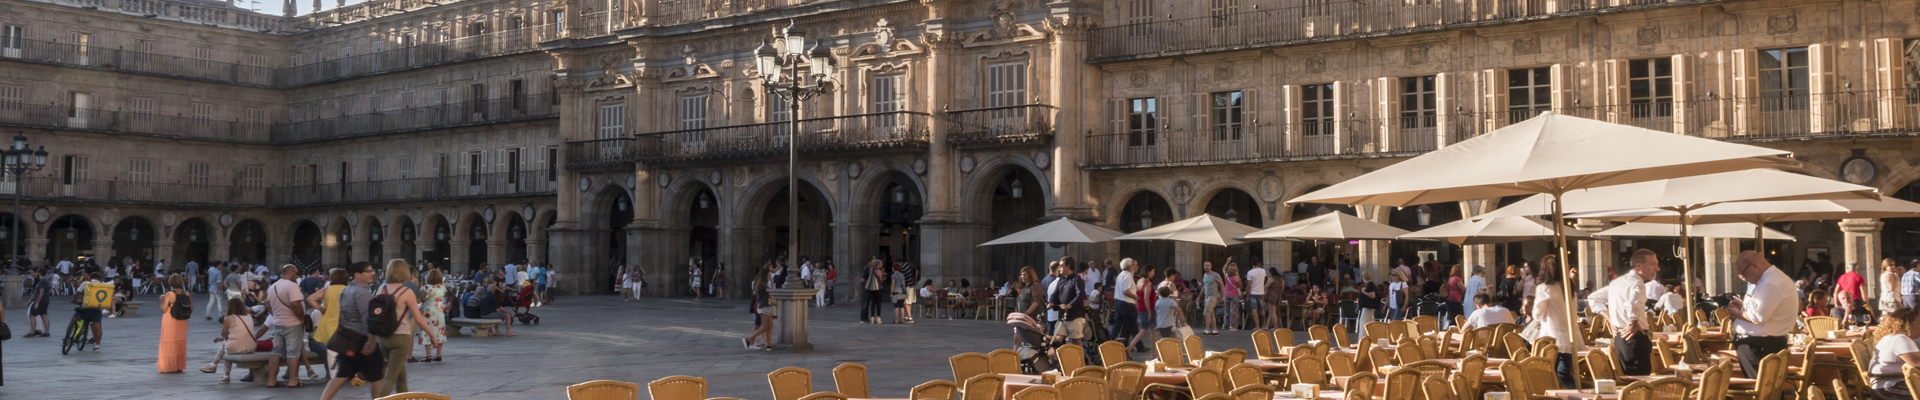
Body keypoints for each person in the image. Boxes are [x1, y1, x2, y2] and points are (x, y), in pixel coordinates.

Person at [321, 262, 385, 400]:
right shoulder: (362, 293)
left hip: (349, 340)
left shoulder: (346, 290)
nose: (372, 273)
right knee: (377, 376)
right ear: (357, 275)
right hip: (363, 342)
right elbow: (369, 319)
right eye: (368, 271)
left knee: (342, 375)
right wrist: (372, 342)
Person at [1727, 250, 1796, 378]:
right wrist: (1743, 307)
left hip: (1761, 346)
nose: (1741, 276)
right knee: (1766, 391)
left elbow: (1758, 317)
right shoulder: (1767, 280)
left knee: (1762, 391)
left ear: (1754, 266)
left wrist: (1735, 313)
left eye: (1742, 272)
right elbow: (1762, 311)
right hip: (1760, 345)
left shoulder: (1771, 282)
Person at [375, 260, 436, 397]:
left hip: (383, 338)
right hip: (400, 338)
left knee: (401, 378)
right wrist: (431, 335)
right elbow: (419, 319)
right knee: (390, 378)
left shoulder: (381, 289)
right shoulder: (406, 292)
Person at [1606, 249, 1658, 376]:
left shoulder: (1616, 282)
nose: (1657, 268)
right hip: (1634, 337)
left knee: (1627, 379)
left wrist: (1610, 320)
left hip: (1619, 337)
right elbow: (1633, 304)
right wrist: (1633, 322)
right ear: (1639, 266)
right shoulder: (1637, 283)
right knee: (1640, 383)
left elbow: (1594, 298)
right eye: (1653, 264)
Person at [1529, 254, 1577, 389]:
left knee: (1553, 373)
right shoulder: (1569, 285)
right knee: (1563, 371)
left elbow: (1537, 314)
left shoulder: (1545, 288)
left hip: (1551, 335)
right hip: (1569, 334)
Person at [261, 265, 309, 388]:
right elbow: (295, 304)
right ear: (291, 273)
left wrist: (276, 315)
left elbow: (268, 305)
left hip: (278, 323)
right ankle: (293, 380)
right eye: (296, 273)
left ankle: (272, 380)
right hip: (292, 324)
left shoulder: (272, 287)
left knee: (276, 351)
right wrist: (302, 318)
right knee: (293, 352)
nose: (297, 276)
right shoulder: (291, 286)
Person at [302, 268, 349, 373]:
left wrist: (321, 308)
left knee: (331, 355)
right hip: (344, 327)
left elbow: (310, 299)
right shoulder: (349, 290)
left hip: (328, 326)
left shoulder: (327, 290)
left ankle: (334, 378)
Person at [1869, 308, 1920, 400]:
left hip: (1889, 383)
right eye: (1919, 323)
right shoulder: (1899, 339)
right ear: (1907, 325)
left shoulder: (1894, 337)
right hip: (1889, 386)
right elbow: (1917, 363)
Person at [205, 298, 257, 383]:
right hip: (251, 346)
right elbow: (238, 333)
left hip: (237, 347)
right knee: (227, 346)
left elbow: (224, 334)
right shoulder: (248, 316)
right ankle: (218, 369)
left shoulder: (229, 318)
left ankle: (218, 368)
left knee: (226, 347)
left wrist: (226, 317)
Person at [1050, 258, 1089, 346]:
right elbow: (1055, 294)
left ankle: (1079, 359)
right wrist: (1051, 302)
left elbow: (1080, 295)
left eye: (1061, 266)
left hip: (1075, 316)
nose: (1059, 268)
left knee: (1076, 341)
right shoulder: (1061, 280)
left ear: (1068, 266)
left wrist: (1070, 305)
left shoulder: (1077, 280)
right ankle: (1060, 359)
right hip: (1062, 317)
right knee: (1056, 340)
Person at [68, 272, 110, 352]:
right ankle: (97, 346)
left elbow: (77, 293)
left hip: (85, 308)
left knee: (73, 320)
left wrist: (74, 300)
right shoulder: (104, 284)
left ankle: (68, 338)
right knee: (98, 327)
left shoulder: (86, 283)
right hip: (97, 309)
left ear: (90, 277)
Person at [157, 275, 191, 373]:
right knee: (180, 342)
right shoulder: (186, 293)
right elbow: (191, 308)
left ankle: (168, 366)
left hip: (170, 321)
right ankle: (179, 366)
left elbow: (163, 309)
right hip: (183, 321)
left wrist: (162, 300)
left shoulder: (169, 294)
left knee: (168, 342)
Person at [744, 262, 776, 350]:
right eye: (769, 275)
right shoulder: (764, 285)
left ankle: (769, 345)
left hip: (765, 306)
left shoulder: (761, 284)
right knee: (764, 326)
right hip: (764, 306)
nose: (770, 276)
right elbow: (771, 293)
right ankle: (748, 339)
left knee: (770, 325)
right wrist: (772, 283)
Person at [419, 269, 448, 362]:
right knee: (440, 331)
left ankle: (428, 355)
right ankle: (438, 354)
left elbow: (421, 299)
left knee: (427, 331)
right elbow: (443, 296)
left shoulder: (425, 288)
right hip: (439, 310)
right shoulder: (442, 287)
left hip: (428, 311)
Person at [1112, 259, 1138, 342]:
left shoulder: (1121, 275)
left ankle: (1111, 339)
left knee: (1118, 324)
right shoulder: (1127, 276)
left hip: (1119, 302)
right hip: (1126, 303)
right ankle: (1138, 344)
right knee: (1133, 325)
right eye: (1133, 265)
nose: (1135, 267)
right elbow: (1126, 291)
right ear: (1129, 266)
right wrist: (1136, 297)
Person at [27, 268, 50, 337]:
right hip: (45, 300)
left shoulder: (42, 281)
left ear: (39, 273)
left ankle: (32, 331)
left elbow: (41, 292)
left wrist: (37, 302)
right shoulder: (44, 281)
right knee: (44, 315)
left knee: (32, 315)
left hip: (41, 301)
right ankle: (46, 332)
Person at [1201, 261, 1221, 335]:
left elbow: (1221, 284)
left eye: (1208, 265)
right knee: (1211, 314)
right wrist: (1199, 296)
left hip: (1213, 296)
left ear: (1211, 266)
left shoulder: (1215, 275)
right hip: (1207, 297)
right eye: (1206, 265)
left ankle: (1207, 330)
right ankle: (1215, 330)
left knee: (1207, 312)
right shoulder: (1205, 275)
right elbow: (1204, 286)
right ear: (1204, 266)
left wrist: (1222, 296)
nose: (1207, 267)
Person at [1246, 262, 1268, 330]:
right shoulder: (1263, 271)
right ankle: (1264, 325)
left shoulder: (1250, 272)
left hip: (1253, 293)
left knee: (1254, 310)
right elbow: (1264, 280)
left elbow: (1249, 285)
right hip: (1261, 292)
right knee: (1262, 309)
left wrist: (1247, 295)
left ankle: (1257, 326)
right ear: (1258, 263)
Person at [862, 260, 886, 324]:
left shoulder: (871, 269)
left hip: (869, 288)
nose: (882, 265)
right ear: (878, 265)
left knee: (873, 302)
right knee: (878, 303)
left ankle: (872, 317)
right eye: (881, 264)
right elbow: (881, 280)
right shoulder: (878, 271)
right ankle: (878, 318)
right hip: (877, 288)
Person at [1222, 262, 1241, 331]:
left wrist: (1227, 262)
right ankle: (1232, 325)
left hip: (1226, 294)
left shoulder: (1226, 275)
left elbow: (1223, 269)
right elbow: (1241, 286)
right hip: (1234, 294)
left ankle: (1225, 325)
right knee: (1233, 310)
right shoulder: (1236, 277)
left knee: (1226, 310)